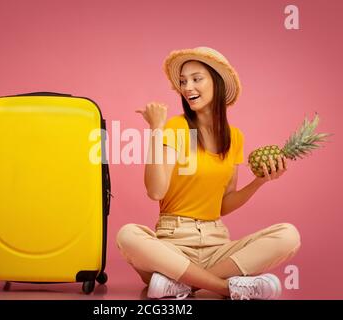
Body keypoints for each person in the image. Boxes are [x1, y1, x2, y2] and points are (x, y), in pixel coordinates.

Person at [116, 47, 301, 300]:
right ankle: (227, 288)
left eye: (196, 78)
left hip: (216, 244)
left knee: (288, 235)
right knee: (128, 235)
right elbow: (156, 191)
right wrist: (157, 129)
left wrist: (259, 182)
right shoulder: (179, 128)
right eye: (183, 81)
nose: (188, 87)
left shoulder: (233, 137)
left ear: (218, 82)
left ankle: (180, 283)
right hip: (173, 245)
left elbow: (224, 204)